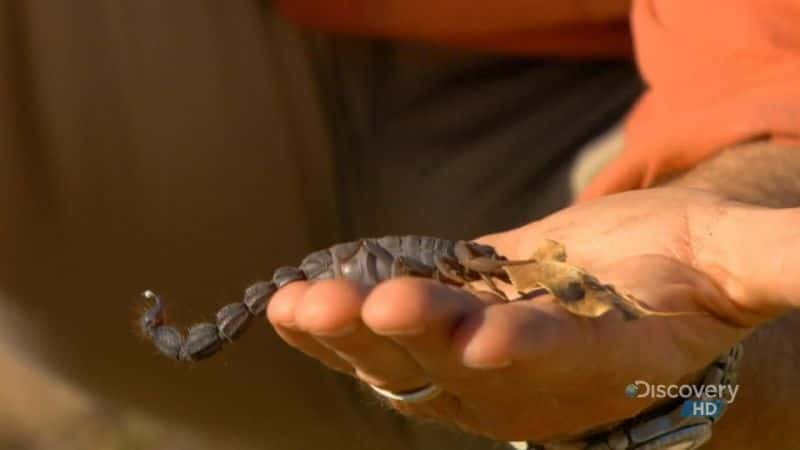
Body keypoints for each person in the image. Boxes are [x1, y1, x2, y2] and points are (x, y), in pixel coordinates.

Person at [266, 0, 800, 448]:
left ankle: (671, 405)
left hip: (644, 97)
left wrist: (702, 389)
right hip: (325, 37)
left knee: (558, 337)